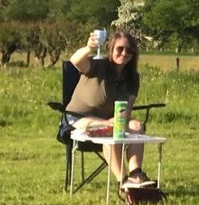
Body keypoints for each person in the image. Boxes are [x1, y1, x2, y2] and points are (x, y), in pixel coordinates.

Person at [66, 30, 154, 188]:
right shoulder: (99, 65)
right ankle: (123, 180)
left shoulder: (132, 77)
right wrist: (89, 48)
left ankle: (136, 174)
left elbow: (127, 109)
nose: (124, 53)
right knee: (112, 129)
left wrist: (119, 121)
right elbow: (75, 60)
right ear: (111, 49)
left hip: (110, 121)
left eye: (129, 50)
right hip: (77, 119)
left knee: (136, 126)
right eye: (120, 49)